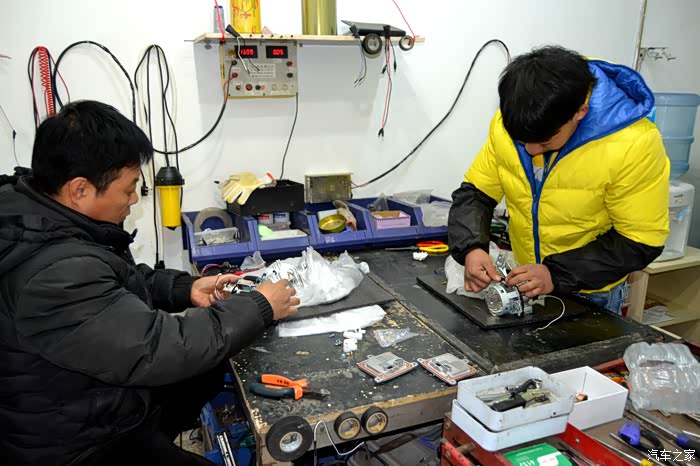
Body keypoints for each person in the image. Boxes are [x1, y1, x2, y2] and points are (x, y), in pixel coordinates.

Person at [0, 100, 299, 465]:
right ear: (79, 190)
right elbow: (157, 348)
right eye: (128, 189)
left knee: (216, 360)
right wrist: (259, 305)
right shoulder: (51, 272)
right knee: (204, 350)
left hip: (95, 398)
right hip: (78, 445)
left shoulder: (44, 222)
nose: (133, 200)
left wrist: (184, 289)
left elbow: (111, 282)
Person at [448, 45, 670, 314]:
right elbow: (476, 193)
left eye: (544, 142)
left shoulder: (634, 143)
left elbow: (641, 240)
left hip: (592, 293)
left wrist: (556, 273)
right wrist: (471, 248)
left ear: (580, 112)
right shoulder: (517, 120)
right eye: (521, 140)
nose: (531, 150)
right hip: (527, 283)